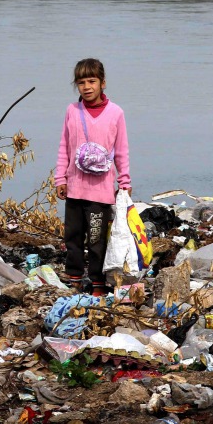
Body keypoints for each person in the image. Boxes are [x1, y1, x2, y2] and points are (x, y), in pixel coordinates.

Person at [55, 58, 131, 296]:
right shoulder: (72, 111)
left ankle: (98, 282)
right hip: (75, 188)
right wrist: (60, 179)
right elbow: (64, 147)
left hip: (101, 191)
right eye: (81, 82)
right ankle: (75, 279)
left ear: (103, 83)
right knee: (73, 237)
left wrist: (125, 183)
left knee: (97, 240)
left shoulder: (116, 113)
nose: (86, 87)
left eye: (91, 81)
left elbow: (121, 150)